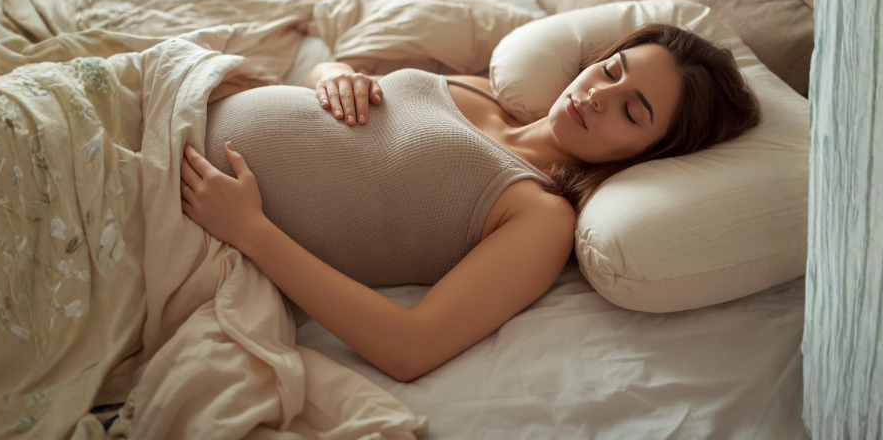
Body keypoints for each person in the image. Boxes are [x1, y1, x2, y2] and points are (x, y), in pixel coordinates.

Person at [178, 23, 761, 382]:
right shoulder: (488, 91)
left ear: (649, 155)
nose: (597, 96)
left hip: (185, 208)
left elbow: (409, 348)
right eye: (611, 69)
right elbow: (331, 89)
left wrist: (251, 231)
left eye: (633, 111)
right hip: (181, 105)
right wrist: (337, 73)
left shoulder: (541, 216)